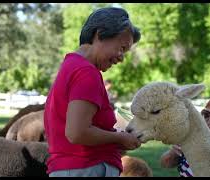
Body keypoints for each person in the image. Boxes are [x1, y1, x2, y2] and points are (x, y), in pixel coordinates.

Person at [44, 7, 142, 177]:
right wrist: (119, 138)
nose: (121, 57)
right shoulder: (86, 73)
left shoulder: (72, 66)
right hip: (85, 168)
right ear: (100, 34)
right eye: (121, 47)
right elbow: (77, 133)